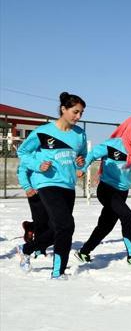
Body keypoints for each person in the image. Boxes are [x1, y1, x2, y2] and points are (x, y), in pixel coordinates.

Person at [16, 92, 87, 279]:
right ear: (63, 109)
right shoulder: (43, 132)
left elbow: (82, 158)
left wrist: (81, 162)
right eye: (75, 112)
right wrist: (37, 166)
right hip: (47, 183)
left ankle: (27, 249)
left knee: (59, 228)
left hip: (68, 186)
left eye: (81, 113)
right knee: (66, 225)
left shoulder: (79, 134)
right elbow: (23, 152)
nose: (78, 117)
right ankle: (58, 272)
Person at [74, 116, 131, 269]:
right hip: (107, 189)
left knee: (106, 225)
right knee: (128, 217)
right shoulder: (113, 145)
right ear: (129, 131)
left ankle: (84, 252)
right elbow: (93, 154)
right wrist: (82, 169)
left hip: (122, 191)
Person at [17, 163, 50, 256]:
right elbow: (21, 170)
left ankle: (30, 226)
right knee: (41, 222)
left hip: (52, 190)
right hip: (35, 191)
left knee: (52, 222)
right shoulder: (30, 151)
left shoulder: (51, 150)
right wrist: (27, 187)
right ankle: (39, 250)